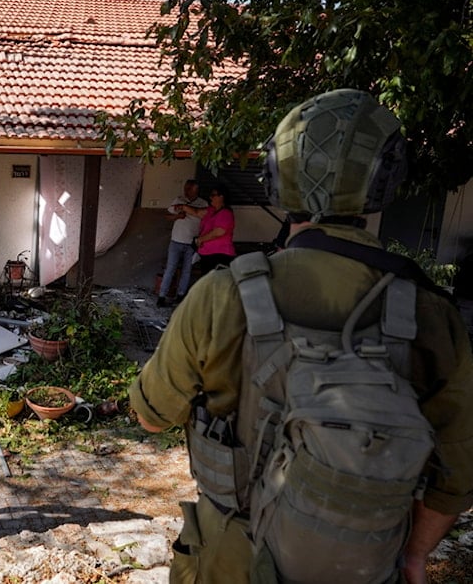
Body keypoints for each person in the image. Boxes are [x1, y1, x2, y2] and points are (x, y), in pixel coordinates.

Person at [128, 89, 473, 583]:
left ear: (277, 178)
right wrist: (413, 556)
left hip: (231, 557)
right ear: (387, 178)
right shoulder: (431, 314)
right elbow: (456, 478)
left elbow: (150, 416)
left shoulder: (222, 295)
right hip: (361, 566)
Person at [157, 179, 207, 307]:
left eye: (189, 189)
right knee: (170, 268)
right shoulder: (179, 200)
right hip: (176, 241)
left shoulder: (203, 203)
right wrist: (177, 217)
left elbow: (205, 219)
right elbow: (167, 216)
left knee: (187, 270)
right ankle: (162, 296)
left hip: (192, 242)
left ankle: (180, 295)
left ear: (196, 190)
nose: (186, 191)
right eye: (185, 188)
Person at [181, 183, 236, 276]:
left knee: (216, 282)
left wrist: (201, 239)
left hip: (220, 254)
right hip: (207, 253)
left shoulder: (226, 213)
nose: (210, 197)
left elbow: (219, 231)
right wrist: (182, 207)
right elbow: (197, 212)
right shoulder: (211, 210)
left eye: (213, 195)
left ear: (221, 197)